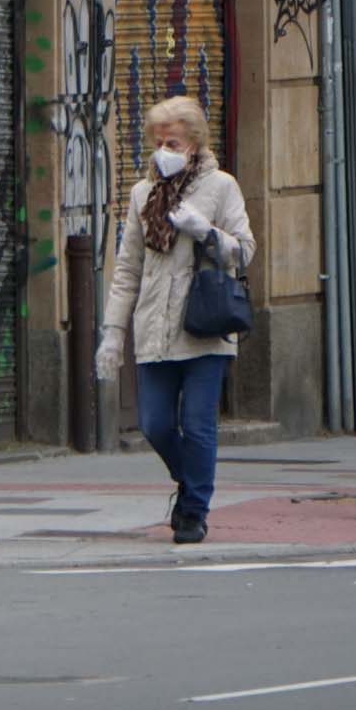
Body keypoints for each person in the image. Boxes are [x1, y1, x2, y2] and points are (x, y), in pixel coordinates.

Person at [97, 96, 254, 546]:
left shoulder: (221, 187)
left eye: (173, 142)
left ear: (194, 144)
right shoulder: (142, 194)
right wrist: (113, 334)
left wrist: (204, 230)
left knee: (199, 423)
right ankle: (192, 482)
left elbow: (244, 250)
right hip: (153, 328)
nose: (164, 149)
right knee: (155, 423)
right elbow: (127, 268)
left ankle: (193, 510)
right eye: (158, 141)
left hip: (203, 325)